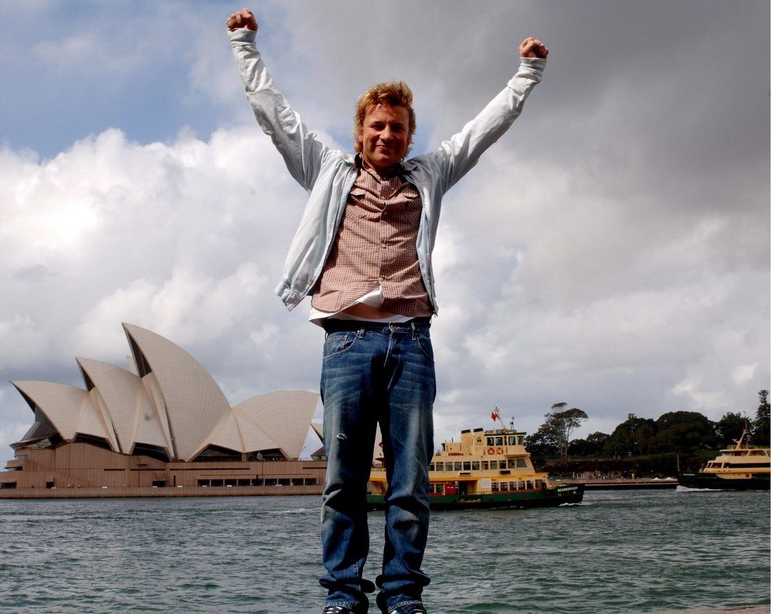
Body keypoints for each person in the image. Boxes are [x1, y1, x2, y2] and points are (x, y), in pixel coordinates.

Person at [226, 8, 548, 614]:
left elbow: (484, 129)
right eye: (376, 127)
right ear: (359, 132)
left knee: (410, 486)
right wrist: (244, 45)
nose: (386, 137)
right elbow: (275, 115)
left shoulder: (429, 175)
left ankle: (402, 595)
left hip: (412, 343)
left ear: (409, 135)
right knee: (344, 483)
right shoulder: (326, 170)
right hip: (346, 343)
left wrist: (526, 73)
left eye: (397, 128)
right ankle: (343, 596)